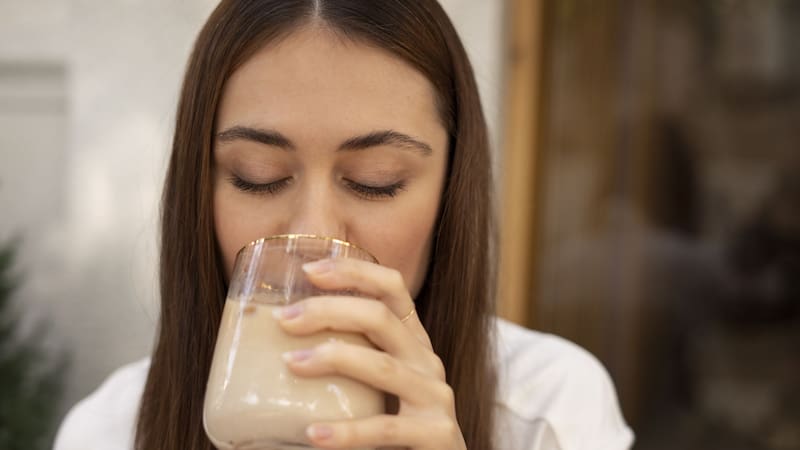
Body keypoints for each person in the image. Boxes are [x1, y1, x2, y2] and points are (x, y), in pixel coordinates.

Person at [54, 1, 633, 449]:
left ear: (451, 193)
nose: (314, 239)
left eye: (375, 181)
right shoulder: (108, 429)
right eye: (257, 177)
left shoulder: (547, 408)